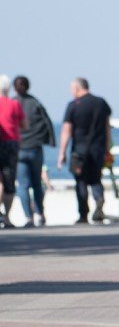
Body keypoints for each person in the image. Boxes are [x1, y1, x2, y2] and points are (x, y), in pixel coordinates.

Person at [57, 77, 112, 225]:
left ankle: (83, 214)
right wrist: (107, 148)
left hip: (79, 151)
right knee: (96, 178)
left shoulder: (73, 105)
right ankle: (99, 199)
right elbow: (107, 127)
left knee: (80, 181)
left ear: (77, 88)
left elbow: (66, 130)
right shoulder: (101, 103)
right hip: (98, 149)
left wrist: (62, 152)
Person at [13, 76, 55, 227]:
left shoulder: (12, 103)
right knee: (37, 183)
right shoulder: (35, 103)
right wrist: (50, 141)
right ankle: (40, 213)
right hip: (35, 148)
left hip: (18, 149)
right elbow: (47, 123)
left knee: (23, 184)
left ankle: (28, 217)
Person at [0, 75, 22, 228]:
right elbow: (24, 124)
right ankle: (6, 216)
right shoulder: (14, 104)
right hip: (11, 143)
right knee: (9, 181)